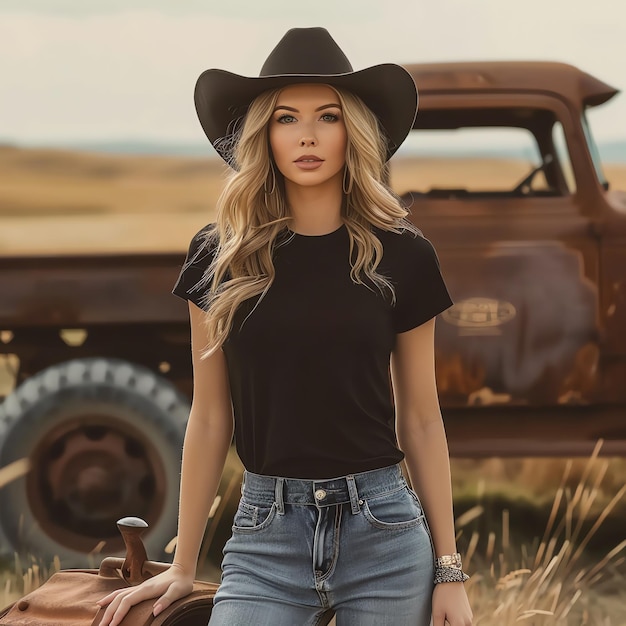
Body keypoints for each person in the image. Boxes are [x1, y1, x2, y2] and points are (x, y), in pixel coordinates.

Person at [98, 27, 473, 626]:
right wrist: (184, 563)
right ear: (262, 135)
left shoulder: (401, 253)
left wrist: (449, 569)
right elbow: (211, 415)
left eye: (327, 116)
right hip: (266, 533)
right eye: (285, 118)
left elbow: (422, 418)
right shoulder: (220, 257)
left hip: (384, 531)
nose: (306, 136)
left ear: (354, 130)